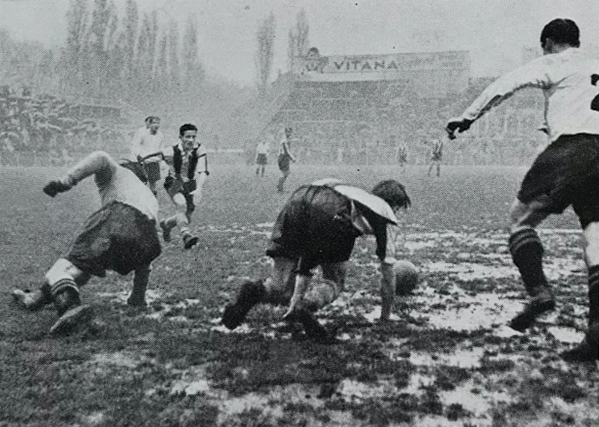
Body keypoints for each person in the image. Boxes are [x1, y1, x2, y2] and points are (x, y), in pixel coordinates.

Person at [446, 18, 599, 362]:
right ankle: (596, 332)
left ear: (547, 41)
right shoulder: (594, 66)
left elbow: (503, 86)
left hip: (571, 150)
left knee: (520, 220)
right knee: (596, 238)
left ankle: (539, 293)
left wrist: (466, 118)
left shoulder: (550, 62)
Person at [222, 178, 411, 340]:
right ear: (395, 204)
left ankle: (255, 290)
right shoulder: (386, 213)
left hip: (300, 198)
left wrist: (294, 301)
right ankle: (308, 304)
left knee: (280, 286)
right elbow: (387, 273)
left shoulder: (356, 193)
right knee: (334, 281)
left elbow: (309, 256)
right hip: (333, 210)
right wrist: (385, 316)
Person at [12, 151, 161, 334]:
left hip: (118, 220)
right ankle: (38, 297)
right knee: (84, 268)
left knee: (61, 270)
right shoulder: (149, 198)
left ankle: (71, 310)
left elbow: (101, 157)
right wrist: (138, 295)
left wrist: (65, 182)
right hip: (149, 238)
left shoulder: (119, 172)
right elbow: (145, 260)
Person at [159, 123, 209, 250]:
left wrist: (199, 188)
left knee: (187, 215)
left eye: (193, 137)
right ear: (180, 137)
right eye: (187, 137)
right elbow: (152, 160)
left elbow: (203, 170)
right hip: (174, 182)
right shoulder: (169, 151)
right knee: (181, 205)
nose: (191, 140)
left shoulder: (200, 149)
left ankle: (166, 224)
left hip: (190, 183)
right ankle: (186, 235)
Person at [129, 116, 166, 195]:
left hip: (154, 162)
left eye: (158, 123)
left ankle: (153, 201)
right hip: (143, 161)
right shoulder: (142, 133)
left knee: (153, 184)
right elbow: (135, 146)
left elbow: (162, 148)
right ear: (149, 124)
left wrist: (162, 159)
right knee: (141, 182)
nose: (156, 125)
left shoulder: (160, 135)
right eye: (154, 123)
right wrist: (138, 156)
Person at [277, 127, 296, 192]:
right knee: (284, 173)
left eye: (290, 132)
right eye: (288, 132)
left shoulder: (286, 139)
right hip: (283, 157)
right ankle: (280, 188)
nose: (289, 133)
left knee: (287, 172)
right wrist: (293, 158)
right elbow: (286, 151)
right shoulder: (284, 140)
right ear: (285, 132)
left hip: (283, 157)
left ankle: (279, 185)